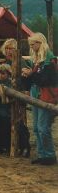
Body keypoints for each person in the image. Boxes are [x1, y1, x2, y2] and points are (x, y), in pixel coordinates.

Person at [22, 33, 57, 166]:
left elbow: (47, 80)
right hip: (36, 94)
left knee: (43, 127)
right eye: (30, 44)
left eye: (33, 44)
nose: (32, 47)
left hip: (46, 95)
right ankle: (43, 154)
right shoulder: (37, 60)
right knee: (36, 127)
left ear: (40, 43)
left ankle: (49, 154)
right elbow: (36, 79)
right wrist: (29, 75)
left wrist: (31, 74)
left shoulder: (50, 60)